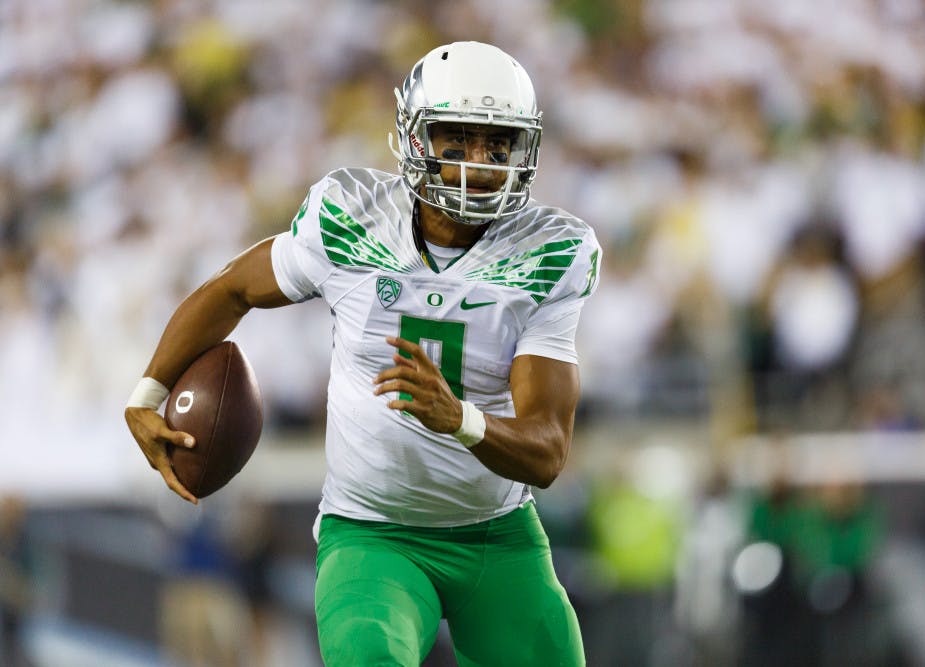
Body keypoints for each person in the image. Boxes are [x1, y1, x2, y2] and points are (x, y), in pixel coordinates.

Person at [124, 41, 601, 666]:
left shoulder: (550, 253)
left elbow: (547, 451)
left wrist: (458, 417)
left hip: (496, 536)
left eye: (498, 144)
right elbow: (232, 289)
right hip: (373, 530)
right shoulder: (353, 217)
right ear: (414, 137)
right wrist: (148, 393)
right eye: (456, 140)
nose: (479, 162)